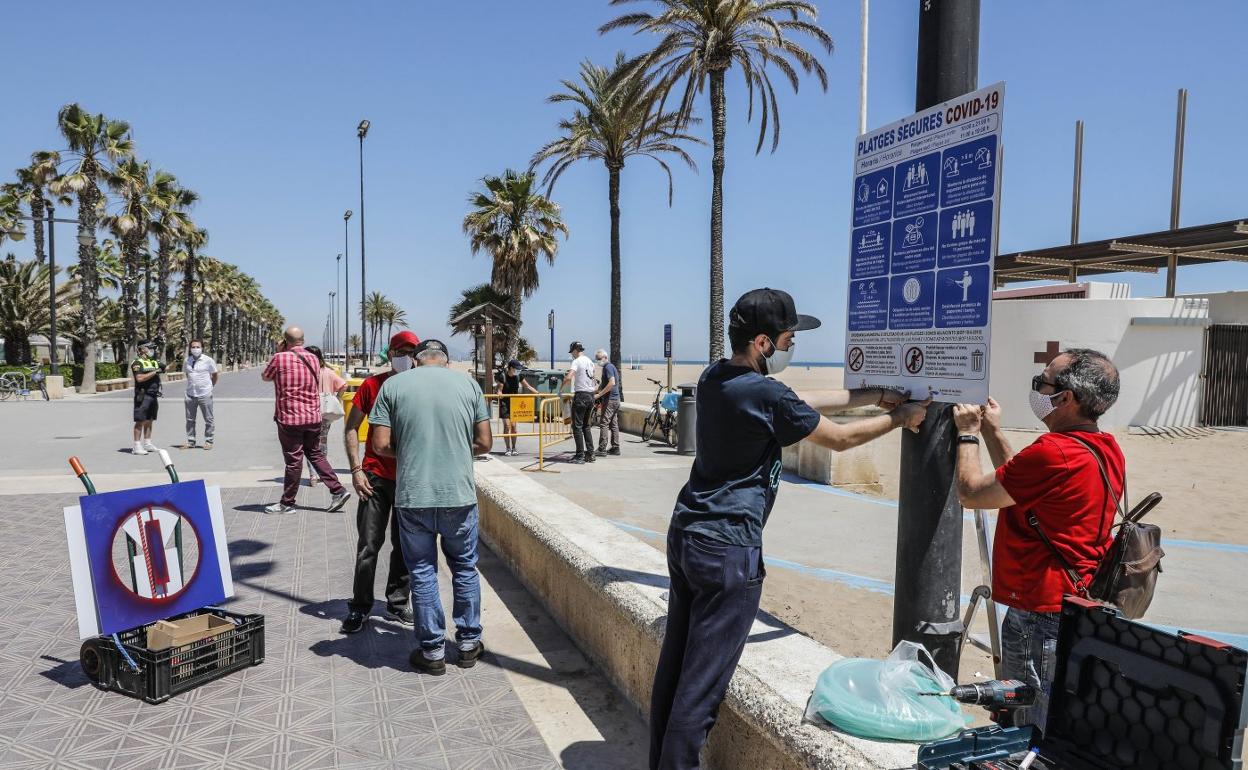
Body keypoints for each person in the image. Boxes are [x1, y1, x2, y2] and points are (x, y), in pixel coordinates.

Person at [648, 288, 930, 770]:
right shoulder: (765, 393)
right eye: (786, 338)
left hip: (688, 534)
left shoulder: (717, 376)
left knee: (674, 675)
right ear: (762, 342)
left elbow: (795, 401)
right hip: (727, 550)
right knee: (700, 695)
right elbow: (838, 439)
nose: (790, 345)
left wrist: (872, 396)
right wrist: (899, 417)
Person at [952, 348, 1124, 732]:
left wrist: (967, 435)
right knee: (1053, 706)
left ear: (1066, 398)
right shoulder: (1103, 447)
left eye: (1041, 382)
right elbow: (1019, 483)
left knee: (1029, 717)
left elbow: (972, 493)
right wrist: (993, 430)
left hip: (1039, 610)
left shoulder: (1054, 453)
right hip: (1075, 599)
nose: (1037, 388)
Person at [368, 339, 492, 675]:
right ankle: (468, 644)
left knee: (423, 573)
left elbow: (380, 444)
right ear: (446, 361)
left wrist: (411, 451)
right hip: (458, 496)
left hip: (414, 496)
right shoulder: (468, 385)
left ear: (415, 360)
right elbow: (484, 442)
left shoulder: (393, 385)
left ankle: (433, 651)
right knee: (465, 567)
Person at [340, 330, 421, 634]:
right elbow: (351, 428)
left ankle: (398, 604)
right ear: (390, 353)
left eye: (412, 351)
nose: (406, 357)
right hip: (374, 478)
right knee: (369, 545)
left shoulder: (421, 387)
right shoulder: (373, 385)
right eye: (400, 351)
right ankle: (360, 606)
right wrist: (356, 469)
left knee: (405, 546)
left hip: (410, 479)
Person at [261, 326, 351, 515]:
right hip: (313, 417)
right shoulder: (313, 358)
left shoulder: (280, 358)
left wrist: (280, 352)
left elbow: (266, 377)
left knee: (294, 461)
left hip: (290, 418)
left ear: (285, 341)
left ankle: (287, 503)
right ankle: (338, 490)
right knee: (315, 453)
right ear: (303, 339)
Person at [305, 345, 347, 487]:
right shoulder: (328, 372)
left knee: (309, 444)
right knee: (322, 442)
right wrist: (337, 399)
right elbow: (344, 385)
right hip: (326, 412)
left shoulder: (305, 372)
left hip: (309, 412)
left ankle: (313, 475)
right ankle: (323, 473)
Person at [495, 358, 539, 456]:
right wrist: (499, 394)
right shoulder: (503, 376)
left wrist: (538, 393)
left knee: (514, 427)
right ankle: (507, 448)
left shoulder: (519, 376)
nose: (518, 370)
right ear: (510, 368)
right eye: (516, 368)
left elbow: (528, 386)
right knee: (507, 426)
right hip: (504, 404)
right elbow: (499, 390)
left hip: (514, 403)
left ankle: (514, 447)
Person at [562, 341, 597, 464]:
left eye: (572, 352)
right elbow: (593, 380)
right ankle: (591, 454)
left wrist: (560, 389)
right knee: (586, 426)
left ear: (576, 350)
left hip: (581, 395)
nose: (572, 354)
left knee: (576, 426)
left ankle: (580, 455)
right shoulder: (590, 362)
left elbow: (569, 376)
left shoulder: (577, 361)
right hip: (591, 395)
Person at [183, 339, 218, 449]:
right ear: (190, 348)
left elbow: (215, 375)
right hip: (190, 394)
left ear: (202, 348)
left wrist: (210, 387)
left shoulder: (208, 360)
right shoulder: (187, 360)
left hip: (205, 394)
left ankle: (209, 441)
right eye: (193, 347)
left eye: (198, 347)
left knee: (208, 419)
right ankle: (191, 441)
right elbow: (188, 374)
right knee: (190, 419)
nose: (195, 349)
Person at [131, 341, 163, 456]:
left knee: (150, 420)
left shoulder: (152, 361)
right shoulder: (137, 363)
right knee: (140, 420)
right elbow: (139, 378)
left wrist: (175, 363)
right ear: (142, 349)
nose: (152, 350)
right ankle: (136, 446)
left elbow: (164, 369)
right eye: (149, 348)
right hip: (143, 395)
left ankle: (148, 443)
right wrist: (155, 372)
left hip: (153, 394)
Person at [594, 349, 621, 457]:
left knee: (604, 423)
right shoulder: (610, 367)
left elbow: (611, 383)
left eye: (599, 359)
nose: (598, 361)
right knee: (613, 424)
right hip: (616, 400)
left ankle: (602, 448)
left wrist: (599, 395)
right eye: (597, 359)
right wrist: (595, 391)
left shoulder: (608, 367)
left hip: (610, 400)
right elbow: (604, 385)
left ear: (605, 357)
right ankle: (615, 447)